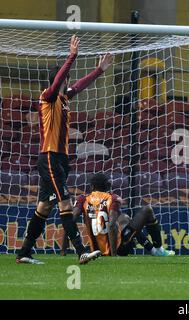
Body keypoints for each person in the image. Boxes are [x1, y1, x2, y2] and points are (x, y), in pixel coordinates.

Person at [16, 35, 114, 265]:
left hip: (60, 159)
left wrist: (99, 70)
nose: (68, 80)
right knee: (65, 203)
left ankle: (24, 253)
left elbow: (79, 85)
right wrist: (71, 56)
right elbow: (60, 80)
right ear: (58, 80)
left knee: (44, 206)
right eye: (65, 77)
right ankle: (81, 250)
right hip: (49, 157)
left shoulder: (63, 98)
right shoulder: (47, 98)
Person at [62, 173, 175, 257]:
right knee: (147, 210)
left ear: (91, 187)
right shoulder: (112, 198)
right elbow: (111, 225)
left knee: (124, 219)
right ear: (107, 186)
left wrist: (63, 250)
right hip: (119, 248)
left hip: (95, 250)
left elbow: (70, 221)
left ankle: (153, 251)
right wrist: (113, 254)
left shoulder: (83, 199)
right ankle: (158, 249)